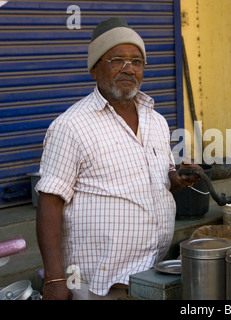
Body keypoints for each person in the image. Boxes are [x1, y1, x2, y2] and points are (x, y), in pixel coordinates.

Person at [35, 17, 201, 300]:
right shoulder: (71, 126)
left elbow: (159, 181)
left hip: (151, 273)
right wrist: (54, 279)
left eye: (136, 61)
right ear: (94, 69)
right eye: (117, 60)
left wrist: (176, 179)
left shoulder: (157, 121)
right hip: (99, 284)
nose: (129, 69)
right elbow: (49, 203)